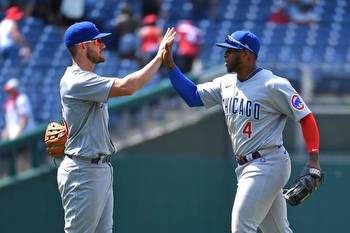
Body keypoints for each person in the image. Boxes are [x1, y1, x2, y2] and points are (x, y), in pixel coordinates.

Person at [162, 30, 321, 232]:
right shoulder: (226, 83)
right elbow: (193, 96)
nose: (225, 54)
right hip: (247, 165)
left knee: (241, 226)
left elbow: (306, 117)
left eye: (230, 50)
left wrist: (313, 161)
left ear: (246, 54)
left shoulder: (273, 84)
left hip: (268, 162)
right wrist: (170, 66)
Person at [57, 21, 175, 233]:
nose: (103, 45)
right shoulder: (77, 80)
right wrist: (159, 57)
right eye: (97, 41)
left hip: (97, 168)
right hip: (84, 170)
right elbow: (128, 87)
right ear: (83, 46)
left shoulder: (84, 79)